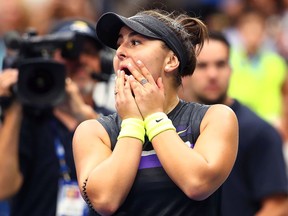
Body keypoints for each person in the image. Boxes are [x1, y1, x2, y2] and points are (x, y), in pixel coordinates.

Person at [72, 9, 239, 216]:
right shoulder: (94, 131)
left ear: (170, 61)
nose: (120, 51)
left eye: (135, 42)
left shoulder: (214, 118)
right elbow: (105, 201)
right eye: (119, 43)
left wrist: (154, 117)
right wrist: (132, 122)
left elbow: (197, 184)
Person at [0, 18, 114, 216]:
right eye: (68, 53)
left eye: (88, 52)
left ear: (102, 64)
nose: (79, 61)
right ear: (50, 62)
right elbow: (3, 187)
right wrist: (16, 103)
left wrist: (83, 115)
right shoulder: (26, 120)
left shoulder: (114, 119)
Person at [178, 31, 288, 216]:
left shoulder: (258, 131)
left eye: (220, 64)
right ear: (185, 72)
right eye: (202, 66)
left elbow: (278, 206)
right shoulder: (170, 125)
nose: (213, 74)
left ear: (231, 69)